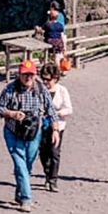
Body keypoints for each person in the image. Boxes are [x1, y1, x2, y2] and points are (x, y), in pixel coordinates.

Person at [0, 59, 60, 212]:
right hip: (13, 132)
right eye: (25, 75)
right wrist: (11, 114)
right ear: (19, 74)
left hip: (33, 131)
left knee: (28, 164)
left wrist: (55, 129)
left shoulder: (40, 88)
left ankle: (19, 192)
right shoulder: (10, 89)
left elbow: (50, 109)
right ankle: (26, 199)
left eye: (31, 74)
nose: (28, 78)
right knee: (20, 164)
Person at [38, 62, 73, 193]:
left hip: (58, 125)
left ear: (55, 78)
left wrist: (56, 113)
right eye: (43, 79)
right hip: (42, 125)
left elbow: (69, 109)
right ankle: (47, 172)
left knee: (54, 152)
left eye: (48, 79)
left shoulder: (62, 91)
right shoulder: (39, 90)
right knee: (42, 152)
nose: (45, 82)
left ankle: (53, 179)